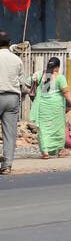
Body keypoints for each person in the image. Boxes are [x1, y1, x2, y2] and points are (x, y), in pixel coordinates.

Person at [29, 57, 71, 159]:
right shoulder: (60, 77)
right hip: (56, 108)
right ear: (57, 67)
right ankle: (60, 150)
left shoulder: (40, 75)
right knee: (58, 128)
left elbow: (28, 82)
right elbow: (66, 92)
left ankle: (45, 152)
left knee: (43, 129)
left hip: (43, 106)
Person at [0, 32, 24, 174]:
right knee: (10, 132)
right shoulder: (16, 60)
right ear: (9, 44)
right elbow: (21, 81)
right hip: (12, 98)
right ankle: (7, 165)